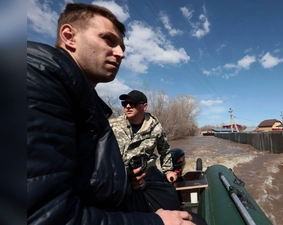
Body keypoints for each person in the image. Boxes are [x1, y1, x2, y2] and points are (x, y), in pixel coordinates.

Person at [27, 3, 195, 225]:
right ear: (69, 36)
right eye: (108, 39)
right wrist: (156, 222)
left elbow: (81, 168)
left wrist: (124, 177)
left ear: (143, 106)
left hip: (129, 189)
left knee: (174, 201)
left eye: (122, 46)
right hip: (107, 207)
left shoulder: (87, 104)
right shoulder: (37, 78)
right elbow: (42, 214)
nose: (121, 53)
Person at [109, 90, 181, 183]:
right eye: (125, 103)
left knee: (168, 193)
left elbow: (165, 151)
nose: (127, 106)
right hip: (118, 174)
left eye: (132, 103)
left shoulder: (156, 128)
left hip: (147, 174)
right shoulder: (112, 125)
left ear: (144, 106)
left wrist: (168, 171)